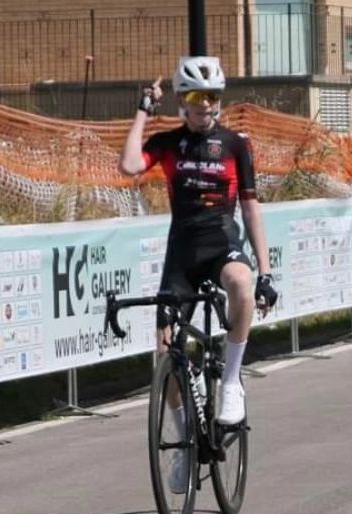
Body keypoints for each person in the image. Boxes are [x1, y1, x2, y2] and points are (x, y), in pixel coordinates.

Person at [119, 56, 278, 429]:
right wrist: (144, 110)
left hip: (222, 242)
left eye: (210, 95)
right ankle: (181, 434)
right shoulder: (169, 143)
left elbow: (251, 209)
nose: (203, 103)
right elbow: (128, 165)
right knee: (166, 355)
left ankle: (231, 381)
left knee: (241, 283)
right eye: (194, 96)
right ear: (182, 101)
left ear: (218, 98)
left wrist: (266, 272)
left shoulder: (235, 144)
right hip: (183, 254)